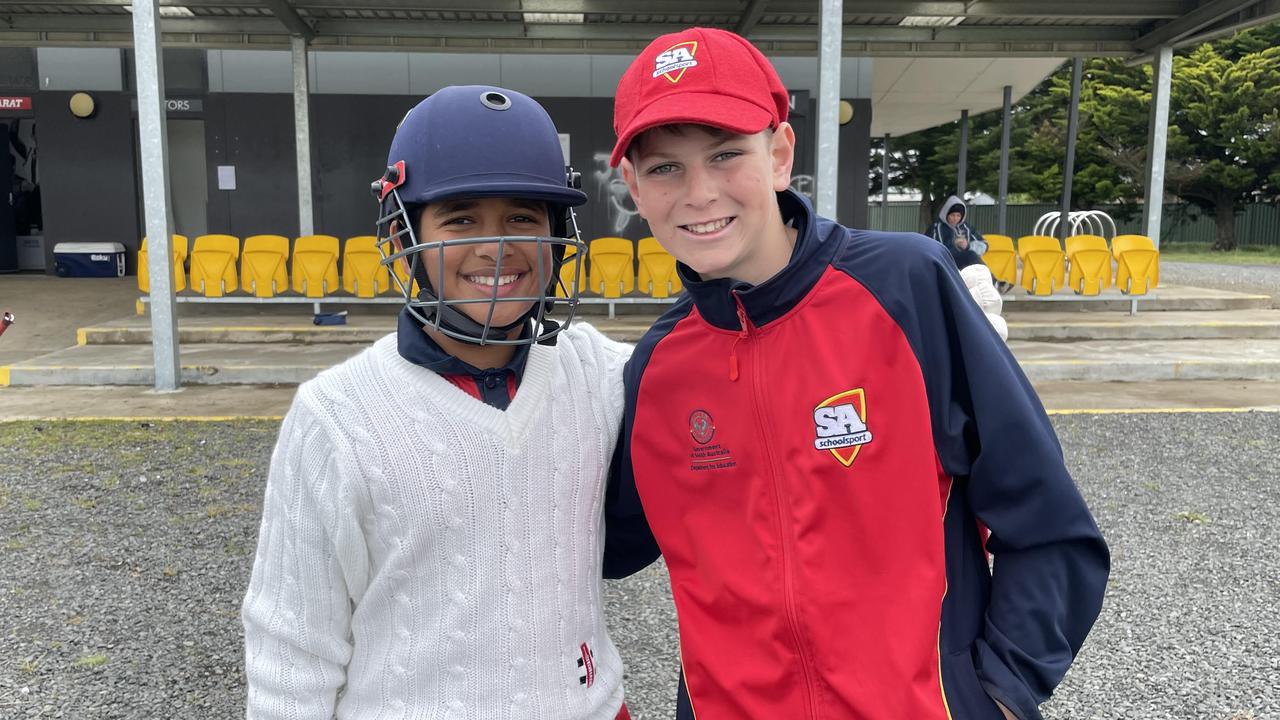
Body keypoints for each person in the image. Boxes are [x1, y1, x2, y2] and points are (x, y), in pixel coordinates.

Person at [601, 27, 1108, 720]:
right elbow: (598, 545)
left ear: (780, 154)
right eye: (664, 168)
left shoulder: (907, 286)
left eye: (726, 155)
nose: (699, 192)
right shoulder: (658, 367)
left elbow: (1050, 526)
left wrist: (1000, 694)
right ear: (631, 185)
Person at [242, 85, 633, 720]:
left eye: (523, 218)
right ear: (401, 237)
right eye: (460, 219)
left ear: (559, 237)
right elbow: (292, 646)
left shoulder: (598, 374)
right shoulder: (337, 415)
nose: (496, 246)